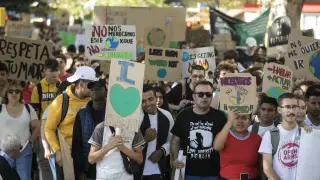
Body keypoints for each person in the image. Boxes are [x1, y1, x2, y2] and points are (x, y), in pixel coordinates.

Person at [45, 66, 98, 180]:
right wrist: (57, 151)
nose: (95, 89)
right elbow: (49, 128)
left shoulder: (95, 100)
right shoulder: (61, 101)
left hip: (90, 157)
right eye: (91, 85)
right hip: (67, 157)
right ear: (82, 84)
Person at [171, 81, 227, 179]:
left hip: (213, 172)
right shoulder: (183, 115)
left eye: (208, 94)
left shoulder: (220, 117)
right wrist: (175, 159)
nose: (204, 97)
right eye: (200, 94)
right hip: (188, 171)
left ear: (212, 97)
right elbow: (175, 141)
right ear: (194, 97)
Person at [0, 81, 40, 180]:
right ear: (6, 93)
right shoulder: (0, 108)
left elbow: (37, 126)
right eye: (11, 91)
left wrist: (30, 142)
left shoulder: (28, 107)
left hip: (23, 150)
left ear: (20, 94)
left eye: (17, 91)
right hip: (3, 153)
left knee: (24, 178)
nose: (14, 93)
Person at [259, 93, 300, 180]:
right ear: (279, 110)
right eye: (287, 107)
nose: (291, 111)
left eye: (294, 107)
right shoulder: (270, 135)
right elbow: (267, 168)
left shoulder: (305, 133)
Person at [72, 79, 107, 179]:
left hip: (108, 165)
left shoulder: (113, 113)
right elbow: (77, 145)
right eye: (92, 89)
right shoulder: (82, 114)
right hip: (89, 168)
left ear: (105, 90)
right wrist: (79, 171)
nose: (94, 91)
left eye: (98, 88)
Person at [139, 85, 174, 180]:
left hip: (160, 171)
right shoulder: (136, 118)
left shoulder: (167, 115)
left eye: (150, 99)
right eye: (143, 101)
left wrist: (162, 151)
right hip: (139, 172)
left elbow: (172, 141)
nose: (148, 104)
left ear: (156, 98)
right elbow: (129, 146)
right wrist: (144, 140)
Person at [214, 112, 261, 180]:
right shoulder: (224, 135)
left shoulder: (257, 138)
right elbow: (216, 148)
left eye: (244, 118)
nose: (240, 121)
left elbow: (261, 163)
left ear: (250, 121)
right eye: (236, 118)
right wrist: (229, 122)